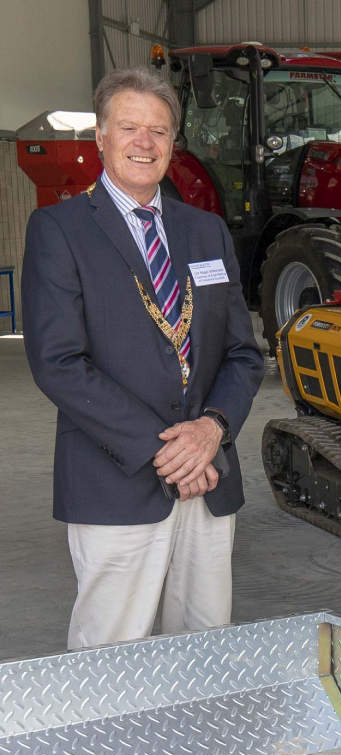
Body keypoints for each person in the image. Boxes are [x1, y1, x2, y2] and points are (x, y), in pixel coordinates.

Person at [22, 66, 264, 650]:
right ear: (100, 138)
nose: (144, 142)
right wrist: (172, 453)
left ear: (173, 145)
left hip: (208, 480)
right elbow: (58, 362)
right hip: (117, 480)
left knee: (204, 650)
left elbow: (242, 355)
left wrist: (212, 429)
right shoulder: (59, 230)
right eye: (128, 127)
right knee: (111, 653)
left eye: (158, 131)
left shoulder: (206, 233)